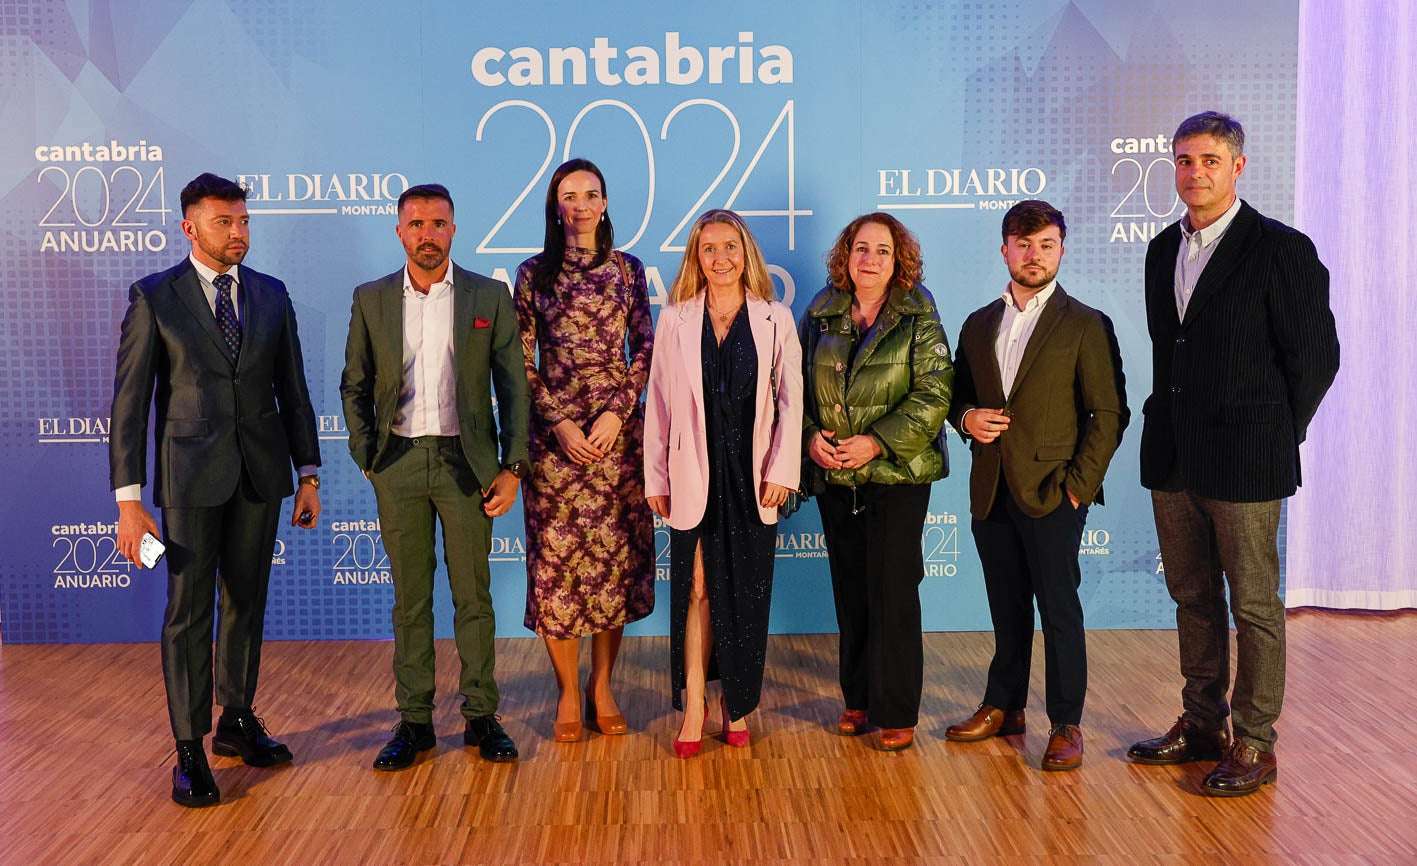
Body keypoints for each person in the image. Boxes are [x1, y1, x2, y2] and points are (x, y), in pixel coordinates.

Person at [1127, 111, 1339, 796]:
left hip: (1247, 459)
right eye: (1183, 161)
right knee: (1190, 596)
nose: (1194, 173)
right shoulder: (1163, 249)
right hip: (1175, 456)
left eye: (1208, 161)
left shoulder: (1281, 248)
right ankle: (1200, 724)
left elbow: (1314, 358)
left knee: (1252, 605)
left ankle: (1253, 742)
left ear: (1237, 167)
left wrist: (1277, 430)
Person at [109, 172, 322, 808]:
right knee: (188, 613)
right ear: (190, 226)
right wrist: (128, 500)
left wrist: (308, 473)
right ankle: (187, 750)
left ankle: (236, 720)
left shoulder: (271, 294)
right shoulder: (155, 297)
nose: (239, 232)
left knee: (246, 605)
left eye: (244, 221)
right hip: (189, 482)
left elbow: (294, 389)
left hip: (261, 474)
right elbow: (129, 406)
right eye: (225, 222)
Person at [340, 183, 531, 770]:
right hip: (396, 463)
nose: (428, 234)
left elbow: (513, 386)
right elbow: (355, 382)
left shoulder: (488, 295)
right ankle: (415, 721)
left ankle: (480, 716)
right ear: (400, 231)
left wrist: (512, 466)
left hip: (466, 466)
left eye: (439, 224)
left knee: (474, 597)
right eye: (416, 224)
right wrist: (368, 458)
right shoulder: (372, 298)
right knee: (410, 600)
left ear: (454, 229)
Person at [944, 200, 1128, 771]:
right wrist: (966, 419)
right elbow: (954, 397)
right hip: (991, 486)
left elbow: (1109, 413)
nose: (1034, 255)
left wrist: (1077, 489)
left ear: (1061, 251)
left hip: (1054, 491)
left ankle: (1066, 722)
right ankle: (1004, 705)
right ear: (1005, 250)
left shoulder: (1085, 323)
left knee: (1059, 608)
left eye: (1046, 244)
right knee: (1006, 606)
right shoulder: (978, 323)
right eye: (1023, 245)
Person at [644, 209, 802, 757]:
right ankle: (694, 704)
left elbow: (790, 401)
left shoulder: (775, 317)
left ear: (747, 253)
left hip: (754, 475)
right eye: (709, 248)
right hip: (692, 475)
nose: (721, 258)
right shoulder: (675, 319)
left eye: (730, 247)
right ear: (696, 257)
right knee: (697, 588)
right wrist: (655, 477)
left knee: (745, 594)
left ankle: (738, 703)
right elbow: (658, 406)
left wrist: (782, 470)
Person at [799, 212, 952, 752]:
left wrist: (877, 442)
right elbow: (793, 387)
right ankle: (857, 698)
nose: (870, 259)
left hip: (898, 475)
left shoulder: (919, 312)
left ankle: (896, 709)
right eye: (861, 248)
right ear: (846, 255)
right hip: (837, 476)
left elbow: (935, 395)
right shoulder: (821, 310)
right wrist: (811, 436)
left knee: (892, 591)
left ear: (899, 259)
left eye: (882, 251)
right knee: (852, 593)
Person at [513, 158, 655, 742]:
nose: (579, 204)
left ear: (604, 203)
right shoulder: (532, 274)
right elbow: (520, 360)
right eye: (567, 195)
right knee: (558, 569)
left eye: (590, 194)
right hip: (556, 443)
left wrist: (617, 411)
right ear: (555, 206)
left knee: (613, 565)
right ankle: (569, 692)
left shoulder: (628, 270)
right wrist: (561, 425)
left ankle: (603, 685)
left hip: (618, 438)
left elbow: (646, 346)